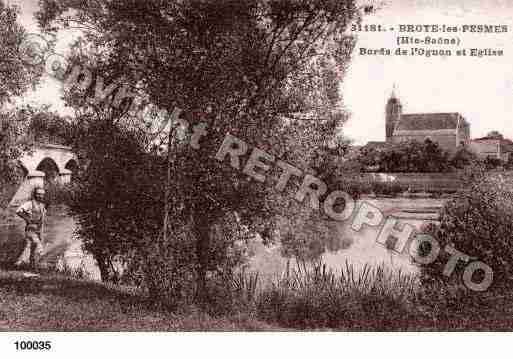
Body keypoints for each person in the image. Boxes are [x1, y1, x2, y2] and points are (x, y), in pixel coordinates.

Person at [15, 187, 47, 271]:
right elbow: (18, 211)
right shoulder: (29, 204)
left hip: (38, 230)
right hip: (30, 230)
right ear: (35, 194)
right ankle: (34, 268)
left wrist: (41, 233)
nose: (40, 196)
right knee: (39, 248)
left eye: (42, 194)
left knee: (33, 249)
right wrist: (28, 219)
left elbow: (42, 221)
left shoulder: (42, 206)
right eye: (38, 194)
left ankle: (32, 267)